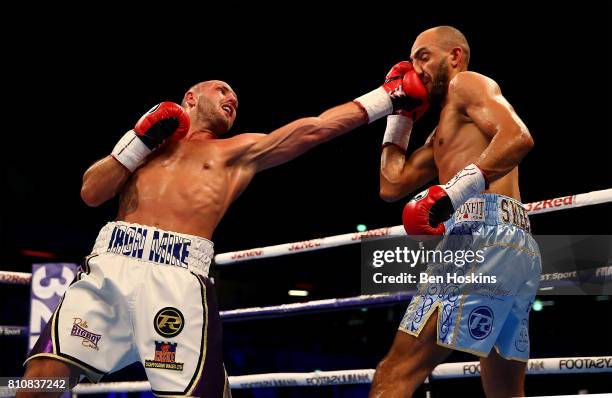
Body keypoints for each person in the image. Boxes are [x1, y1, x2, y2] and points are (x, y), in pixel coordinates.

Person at [19, 66, 429, 397]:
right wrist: (138, 140)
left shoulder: (236, 153)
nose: (233, 98)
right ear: (191, 98)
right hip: (109, 267)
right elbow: (91, 192)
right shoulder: (145, 149)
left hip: (175, 279)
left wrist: (385, 97)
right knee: (37, 381)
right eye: (223, 90)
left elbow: (315, 128)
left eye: (235, 97)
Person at [369, 26, 540, 398]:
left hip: (481, 230)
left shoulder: (468, 85)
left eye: (423, 56)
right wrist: (400, 117)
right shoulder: (444, 128)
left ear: (455, 57)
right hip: (514, 242)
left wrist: (452, 193)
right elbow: (392, 184)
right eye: (412, 60)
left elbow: (517, 136)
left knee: (395, 370)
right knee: (505, 391)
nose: (415, 67)